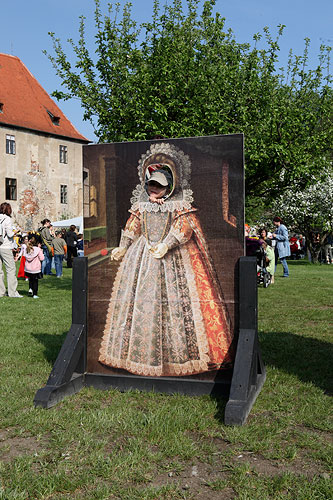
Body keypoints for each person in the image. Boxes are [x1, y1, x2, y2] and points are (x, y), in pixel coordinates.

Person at [99, 145, 234, 377]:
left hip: (171, 259)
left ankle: (174, 356)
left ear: (169, 186)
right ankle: (138, 353)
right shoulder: (141, 206)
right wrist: (123, 247)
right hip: (142, 259)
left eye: (160, 185)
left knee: (175, 305)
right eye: (152, 184)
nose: (154, 189)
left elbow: (185, 228)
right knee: (142, 304)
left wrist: (167, 244)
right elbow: (132, 226)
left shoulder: (179, 206)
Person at [0, 202, 23, 297]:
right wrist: (16, 230)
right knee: (11, 269)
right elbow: (9, 234)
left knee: (0, 270)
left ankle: (1, 292)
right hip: (5, 246)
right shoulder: (7, 219)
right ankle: (12, 292)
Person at [23, 234, 44, 298]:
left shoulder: (27, 249)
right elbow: (42, 258)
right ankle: (35, 294)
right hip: (35, 268)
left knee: (30, 280)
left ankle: (30, 288)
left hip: (28, 268)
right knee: (35, 281)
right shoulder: (38, 249)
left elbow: (25, 256)